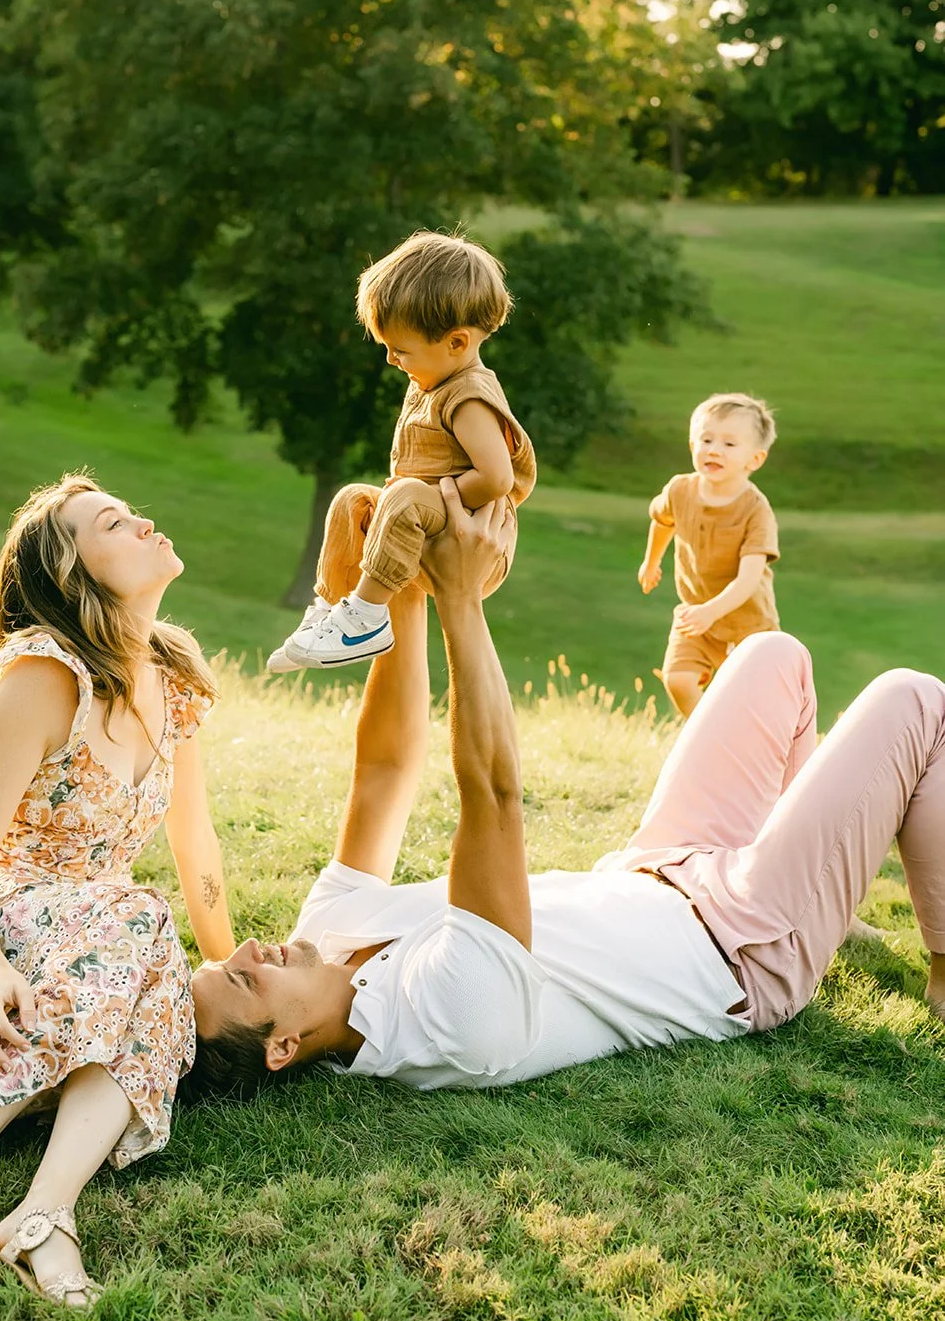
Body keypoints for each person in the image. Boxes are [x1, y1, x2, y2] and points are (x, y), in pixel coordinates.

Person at [192, 480, 945, 1103]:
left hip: (658, 866)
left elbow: (384, 770)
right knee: (914, 700)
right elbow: (493, 794)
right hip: (742, 944)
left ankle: (828, 900)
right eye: (243, 980)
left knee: (771, 655)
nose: (251, 950)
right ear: (283, 1048)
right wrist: (461, 597)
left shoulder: (323, 936)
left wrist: (401, 585)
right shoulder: (447, 1023)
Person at [0, 475, 234, 1306]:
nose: (145, 520)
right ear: (77, 576)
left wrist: (226, 960)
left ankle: (41, 1211)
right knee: (137, 920)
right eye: (114, 523)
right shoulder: (46, 674)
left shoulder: (169, 678)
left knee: (148, 942)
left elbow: (198, 848)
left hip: (92, 935)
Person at [267, 229, 535, 672]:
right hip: (425, 523)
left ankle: (367, 620)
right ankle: (331, 609)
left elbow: (498, 478)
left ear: (456, 343)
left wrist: (429, 497)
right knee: (351, 499)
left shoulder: (468, 397)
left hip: (470, 539)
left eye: (400, 350)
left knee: (403, 494)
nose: (391, 360)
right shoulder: (436, 378)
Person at [638, 392, 781, 718]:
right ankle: (706, 736)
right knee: (678, 679)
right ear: (692, 446)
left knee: (754, 704)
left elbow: (749, 578)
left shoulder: (755, 511)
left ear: (754, 460)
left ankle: (756, 743)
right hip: (695, 617)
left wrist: (711, 611)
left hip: (749, 625)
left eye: (730, 445)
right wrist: (651, 561)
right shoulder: (679, 490)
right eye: (706, 439)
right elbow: (662, 521)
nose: (714, 449)